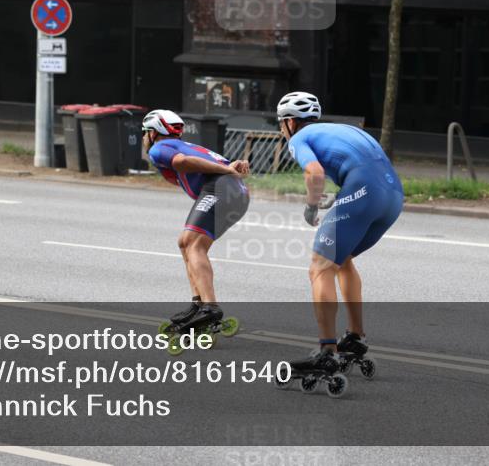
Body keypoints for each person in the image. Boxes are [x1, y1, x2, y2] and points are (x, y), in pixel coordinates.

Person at [277, 91, 404, 376]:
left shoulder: (299, 138)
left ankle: (327, 351)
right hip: (394, 196)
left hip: (365, 192)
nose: (282, 130)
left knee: (320, 268)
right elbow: (367, 166)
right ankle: (356, 337)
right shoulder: (343, 129)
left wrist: (311, 206)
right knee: (341, 259)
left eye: (281, 124)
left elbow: (315, 173)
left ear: (289, 123)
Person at [142, 109, 251, 332]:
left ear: (154, 133)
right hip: (234, 193)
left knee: (194, 244)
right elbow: (200, 165)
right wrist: (232, 166)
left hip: (221, 188)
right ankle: (198, 303)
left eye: (145, 132)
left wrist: (226, 170)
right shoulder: (186, 145)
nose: (144, 138)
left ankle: (209, 307)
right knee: (185, 242)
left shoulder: (159, 148)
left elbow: (183, 162)